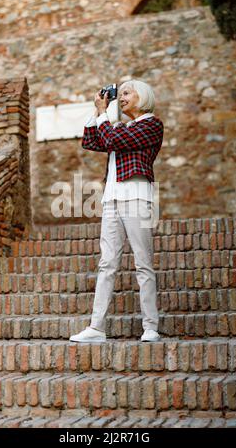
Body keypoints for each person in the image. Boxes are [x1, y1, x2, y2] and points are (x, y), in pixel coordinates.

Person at [70, 79, 164, 342]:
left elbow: (112, 138)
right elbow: (91, 140)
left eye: (126, 93)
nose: (121, 98)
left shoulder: (151, 124)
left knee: (143, 263)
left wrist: (104, 118)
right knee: (106, 264)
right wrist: (99, 109)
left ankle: (150, 327)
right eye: (118, 94)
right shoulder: (120, 126)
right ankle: (97, 327)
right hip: (111, 199)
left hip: (137, 197)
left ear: (142, 96)